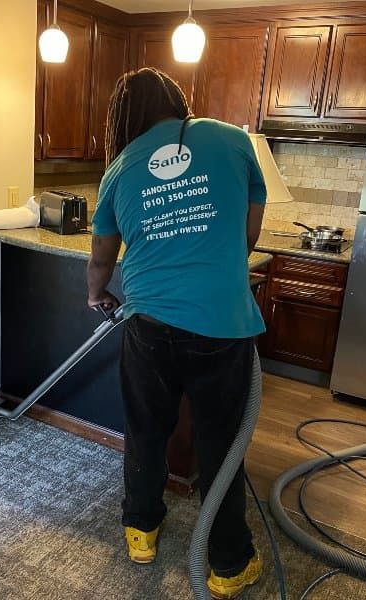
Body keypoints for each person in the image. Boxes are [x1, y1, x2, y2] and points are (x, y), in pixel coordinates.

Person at [86, 68, 267, 599]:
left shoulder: (120, 167)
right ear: (176, 99)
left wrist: (96, 295)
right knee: (221, 445)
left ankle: (141, 532)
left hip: (148, 325)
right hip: (222, 327)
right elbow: (249, 233)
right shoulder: (233, 140)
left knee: (145, 431)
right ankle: (229, 565)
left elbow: (102, 256)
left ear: (123, 118)